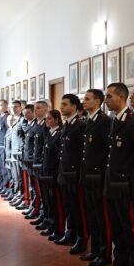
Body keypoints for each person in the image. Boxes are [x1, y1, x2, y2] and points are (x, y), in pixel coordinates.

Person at [99, 82, 134, 266]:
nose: (106, 100)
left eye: (109, 96)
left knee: (132, 234)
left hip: (126, 187)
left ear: (121, 97)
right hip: (112, 184)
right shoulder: (114, 121)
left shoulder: (133, 122)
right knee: (117, 231)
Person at [79, 89, 112, 266]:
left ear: (98, 102)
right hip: (88, 174)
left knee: (101, 216)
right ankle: (96, 248)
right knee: (91, 214)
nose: (83, 101)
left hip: (98, 176)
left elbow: (106, 151)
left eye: (87, 99)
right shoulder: (89, 121)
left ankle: (104, 253)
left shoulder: (104, 121)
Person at [56, 94, 87, 254]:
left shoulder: (80, 126)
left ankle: (81, 238)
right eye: (61, 104)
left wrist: (77, 174)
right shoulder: (66, 125)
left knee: (77, 208)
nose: (61, 107)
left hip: (73, 174)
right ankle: (70, 233)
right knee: (68, 207)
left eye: (65, 104)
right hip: (64, 173)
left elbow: (82, 153)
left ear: (74, 107)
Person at [40, 109, 64, 240]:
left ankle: (59, 230)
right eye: (46, 119)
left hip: (54, 174)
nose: (46, 121)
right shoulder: (50, 133)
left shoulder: (59, 134)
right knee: (49, 202)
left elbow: (58, 157)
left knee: (56, 204)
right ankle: (51, 225)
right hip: (46, 172)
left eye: (49, 119)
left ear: (56, 120)